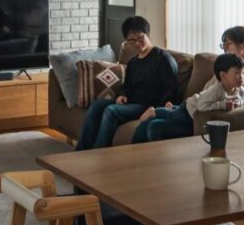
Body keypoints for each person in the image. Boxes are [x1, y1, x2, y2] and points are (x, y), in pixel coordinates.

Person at [76, 16, 178, 150]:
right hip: (131, 102)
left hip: (147, 105)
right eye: (132, 40)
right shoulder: (133, 62)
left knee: (111, 111)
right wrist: (122, 94)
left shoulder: (163, 58)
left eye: (140, 38)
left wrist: (155, 109)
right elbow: (127, 85)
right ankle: (81, 151)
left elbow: (171, 89)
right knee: (96, 105)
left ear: (147, 34)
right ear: (127, 41)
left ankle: (99, 153)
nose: (137, 43)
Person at [132, 53, 244, 143]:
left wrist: (239, 103)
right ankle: (154, 111)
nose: (241, 77)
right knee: (172, 115)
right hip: (189, 108)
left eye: (243, 73)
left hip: (193, 111)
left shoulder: (240, 90)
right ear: (223, 75)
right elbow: (201, 106)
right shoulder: (216, 90)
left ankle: (171, 108)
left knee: (170, 115)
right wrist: (223, 105)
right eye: (237, 73)